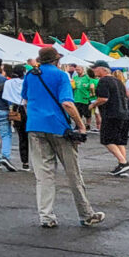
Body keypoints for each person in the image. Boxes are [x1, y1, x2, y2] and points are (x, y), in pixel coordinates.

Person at [23, 45, 104, 228]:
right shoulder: (61, 75)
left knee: (43, 175)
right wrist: (81, 125)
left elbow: (25, 101)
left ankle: (46, 216)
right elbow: (67, 102)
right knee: (73, 173)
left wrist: (34, 118)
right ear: (57, 60)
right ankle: (86, 214)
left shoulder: (30, 75)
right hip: (59, 128)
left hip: (35, 127)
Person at [89, 62, 129, 177]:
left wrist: (93, 105)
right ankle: (122, 165)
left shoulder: (103, 81)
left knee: (107, 139)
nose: (93, 71)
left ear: (102, 70)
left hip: (111, 114)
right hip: (124, 113)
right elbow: (127, 95)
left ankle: (123, 162)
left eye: (95, 69)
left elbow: (103, 98)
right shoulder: (119, 81)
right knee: (119, 141)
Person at [2, 63, 31, 170]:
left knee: (22, 137)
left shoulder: (8, 83)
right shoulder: (27, 82)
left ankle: (25, 161)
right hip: (28, 109)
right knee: (33, 136)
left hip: (15, 109)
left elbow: (6, 96)